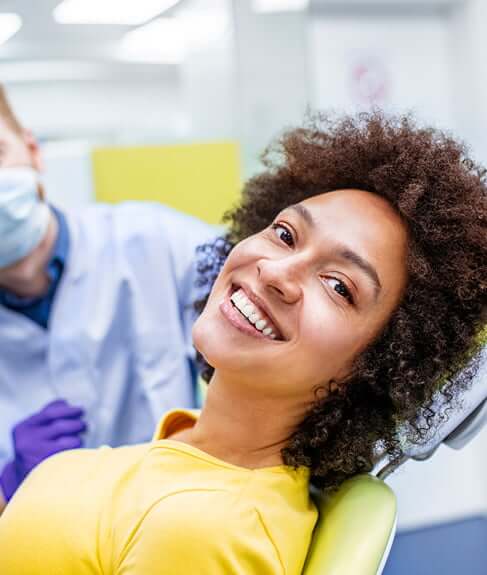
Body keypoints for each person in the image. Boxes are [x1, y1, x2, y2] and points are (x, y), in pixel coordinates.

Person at [0, 111, 484, 573]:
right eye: (285, 234)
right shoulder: (186, 452)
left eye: (339, 286)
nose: (275, 271)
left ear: (379, 366)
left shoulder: (204, 529)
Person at [0, 85, 223, 508]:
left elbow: (271, 304)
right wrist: (9, 481)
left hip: (175, 520)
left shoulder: (154, 241)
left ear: (33, 151)